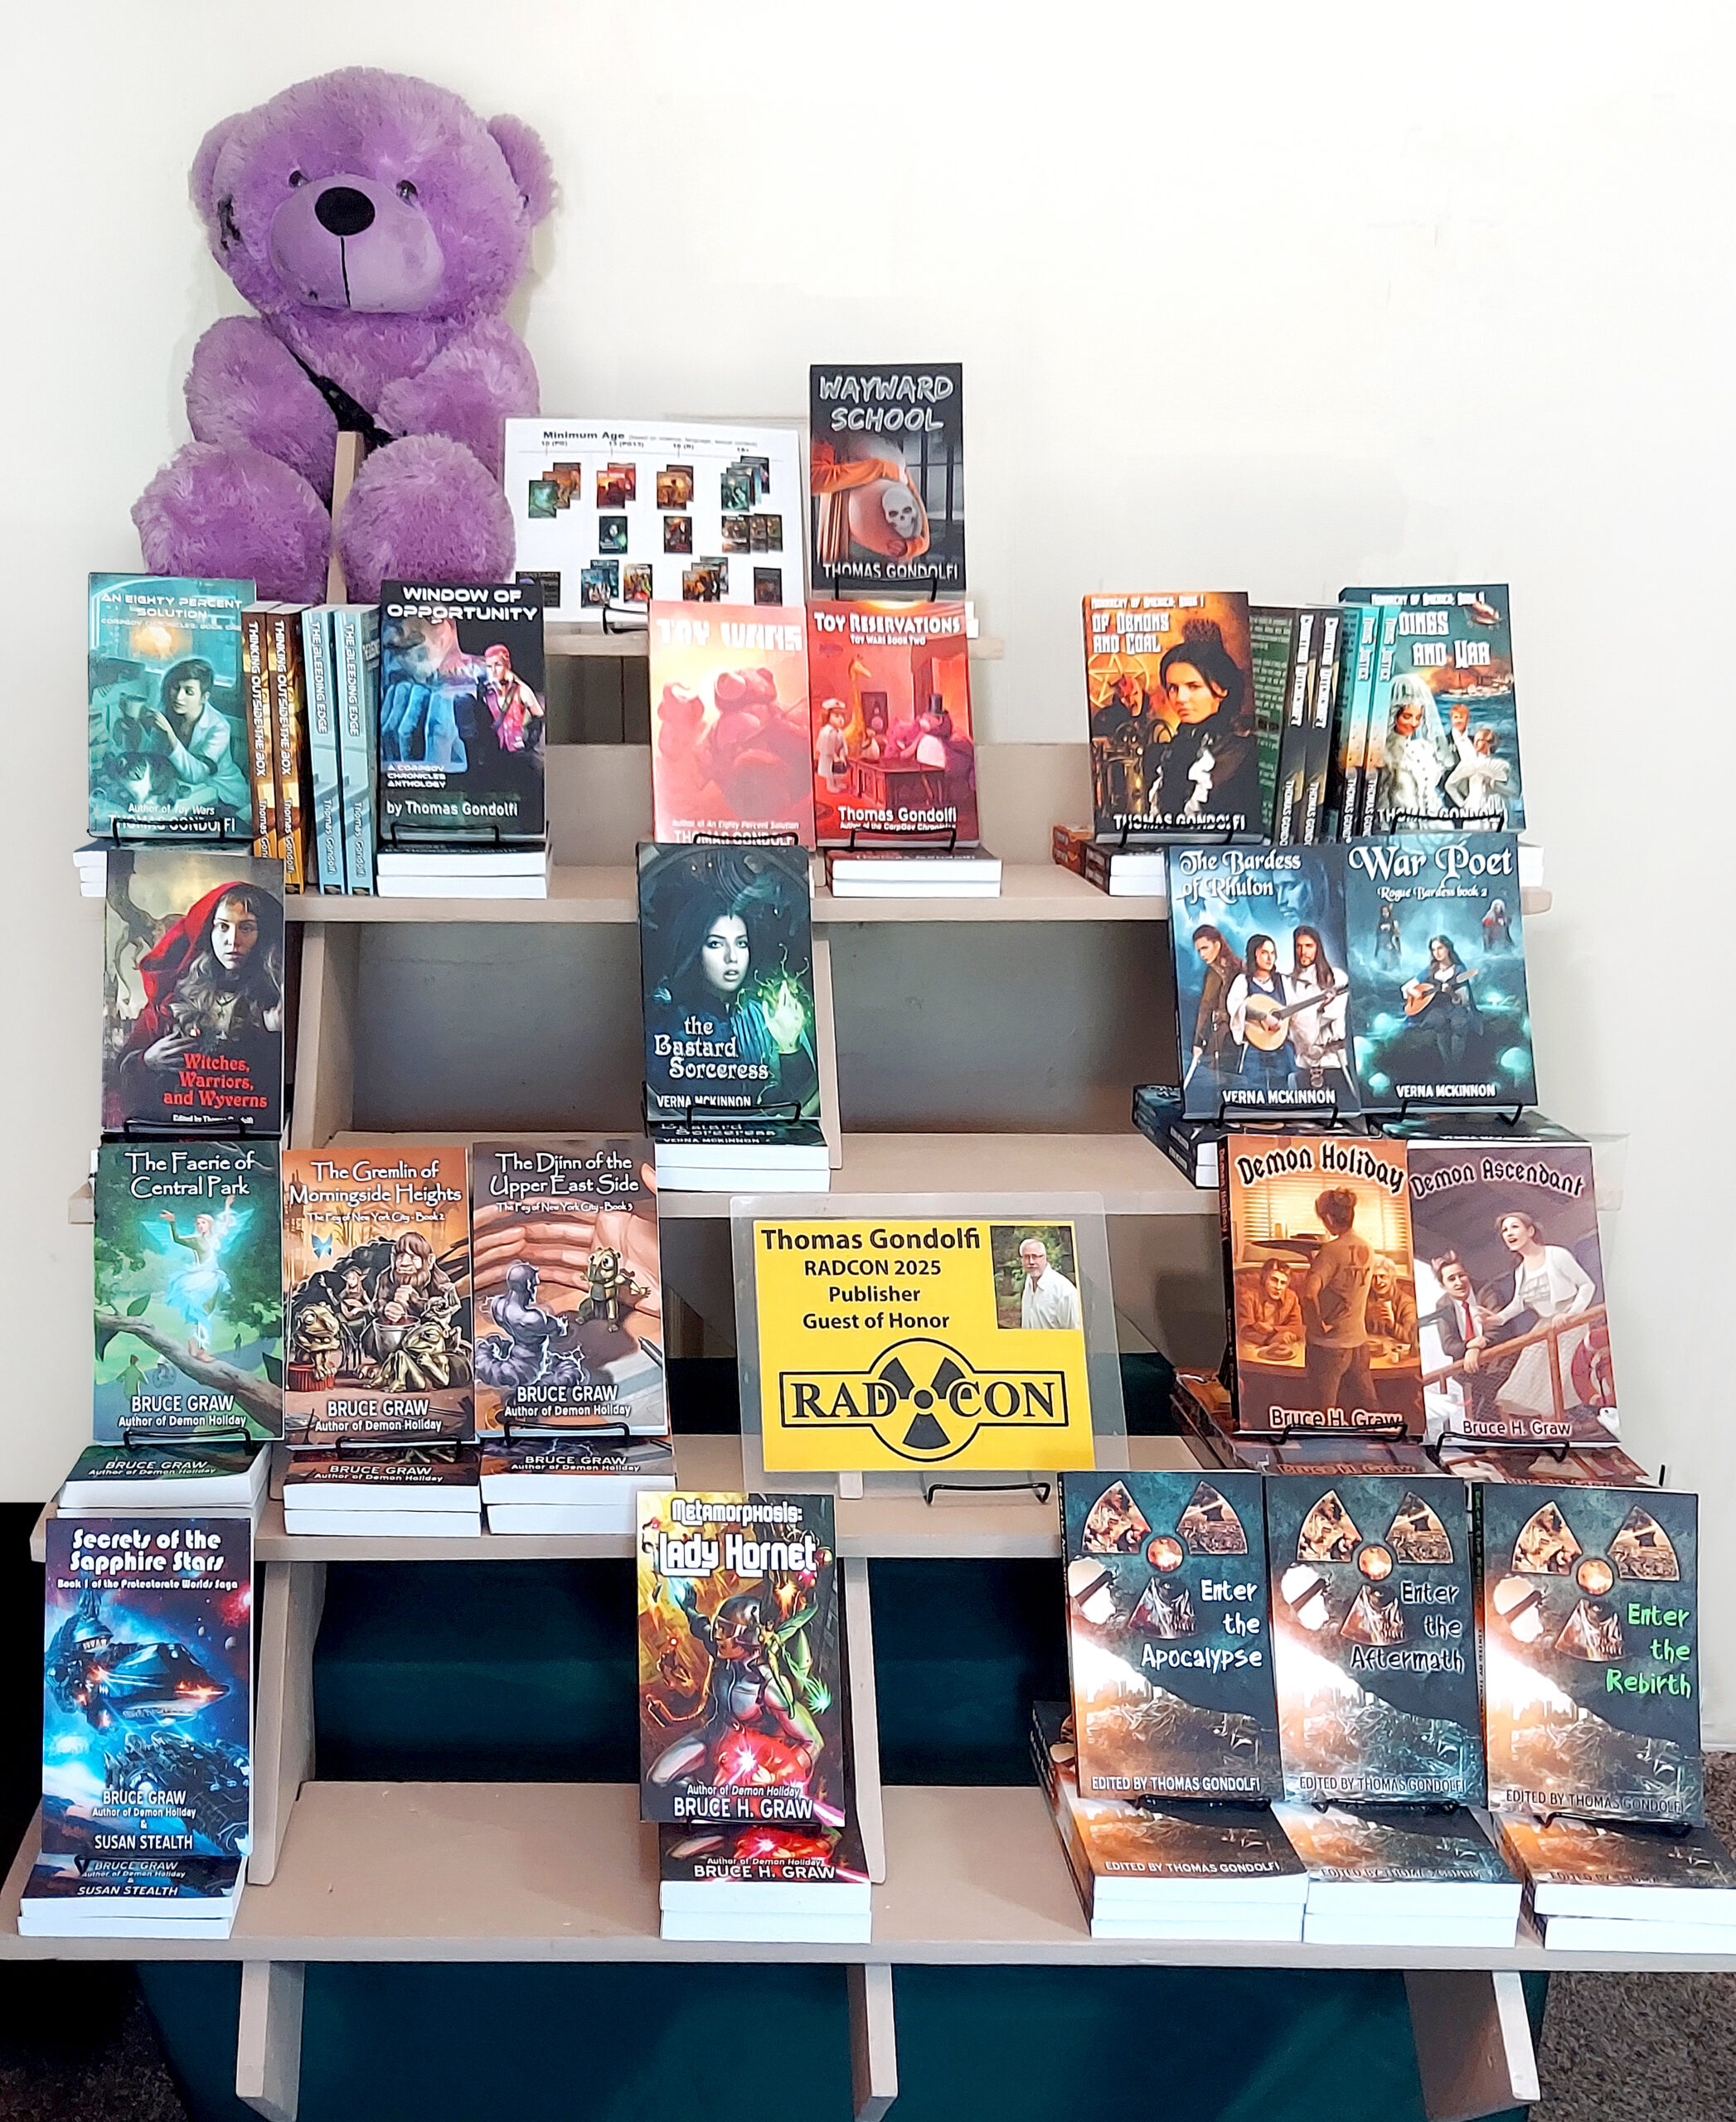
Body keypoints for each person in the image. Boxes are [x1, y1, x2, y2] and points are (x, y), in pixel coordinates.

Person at [644, 859, 819, 1118]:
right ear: (695, 950)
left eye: (741, 944)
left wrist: (789, 1048)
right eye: (716, 944)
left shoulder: (767, 1015)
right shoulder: (666, 1019)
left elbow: (797, 1108)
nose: (732, 957)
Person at [106, 879, 284, 1129]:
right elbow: (119, 1076)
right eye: (222, 927)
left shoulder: (275, 997)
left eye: (246, 928)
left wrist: (271, 1033)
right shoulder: (173, 996)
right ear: (208, 933)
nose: (232, 941)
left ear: (262, 935)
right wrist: (147, 1060)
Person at [1481, 1211, 1599, 1423]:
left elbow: (1586, 1285)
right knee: (1527, 1377)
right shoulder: (1520, 1271)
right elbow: (1519, 1304)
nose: (1509, 1233)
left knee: (1559, 1376)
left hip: (1570, 1323)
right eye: (1505, 1230)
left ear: (1530, 1230)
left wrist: (1571, 1314)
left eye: (1514, 1227)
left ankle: (1569, 1425)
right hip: (1545, 1326)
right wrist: (1495, 1319)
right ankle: (1551, 1432)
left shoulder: (1556, 1255)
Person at [106, 658, 251, 821]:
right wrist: (136, 727)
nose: (179, 697)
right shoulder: (168, 712)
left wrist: (169, 733)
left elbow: (198, 775)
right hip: (186, 788)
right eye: (176, 688)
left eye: (189, 692)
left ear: (204, 697)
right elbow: (154, 757)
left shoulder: (218, 726)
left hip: (222, 794)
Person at [1146, 621, 1260, 826]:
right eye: (1173, 687)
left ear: (1222, 689)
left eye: (1193, 686)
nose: (1180, 698)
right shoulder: (1170, 751)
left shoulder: (1240, 752)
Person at [1301, 1188, 1378, 1422]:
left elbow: (1308, 1295)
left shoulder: (1330, 1251)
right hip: (1359, 1345)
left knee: (1321, 1415)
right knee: (1368, 1411)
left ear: (1329, 1218)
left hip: (1328, 1348)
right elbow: (1346, 1282)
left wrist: (1316, 1327)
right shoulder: (1367, 1248)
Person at [157, 1205, 236, 1354]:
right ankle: (200, 1346)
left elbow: (226, 1224)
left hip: (214, 1277)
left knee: (208, 1311)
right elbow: (177, 1238)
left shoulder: (215, 1238)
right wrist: (172, 1222)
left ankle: (196, 1342)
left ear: (210, 1224)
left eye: (203, 1222)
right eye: (198, 1223)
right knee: (201, 1311)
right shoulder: (195, 1240)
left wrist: (227, 1205)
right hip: (201, 1277)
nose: (200, 1226)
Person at [1286, 925, 1349, 1100]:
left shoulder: (1337, 977)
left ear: (1317, 948)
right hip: (1304, 1064)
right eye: (1299, 946)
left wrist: (1320, 1009)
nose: (1303, 951)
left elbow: (1332, 1014)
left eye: (1308, 946)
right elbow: (1291, 1024)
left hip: (1333, 1061)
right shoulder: (1289, 983)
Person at [1377, 674, 1447, 828]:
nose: (1414, 723)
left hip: (1434, 828)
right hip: (1401, 831)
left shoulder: (1423, 749)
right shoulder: (1383, 755)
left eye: (1418, 717)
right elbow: (1381, 804)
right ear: (1394, 715)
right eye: (1407, 717)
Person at [1404, 935, 1480, 1077]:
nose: (1437, 953)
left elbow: (1463, 1000)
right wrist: (1414, 992)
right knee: (1439, 1022)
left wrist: (1451, 993)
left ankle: (1456, 1067)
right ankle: (1447, 1065)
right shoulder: (1430, 970)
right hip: (1437, 1008)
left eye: (1440, 948)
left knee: (1458, 1024)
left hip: (1456, 1007)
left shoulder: (1459, 971)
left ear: (1448, 948)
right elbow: (1407, 987)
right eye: (1433, 950)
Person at [1226, 933, 1292, 1091]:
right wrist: (1262, 1016)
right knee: (1255, 1092)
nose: (1270, 958)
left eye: (1272, 953)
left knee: (1281, 1093)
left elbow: (1294, 1008)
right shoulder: (1243, 982)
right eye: (1264, 953)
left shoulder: (1283, 982)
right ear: (1254, 954)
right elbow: (1236, 1006)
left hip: (1280, 1051)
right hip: (1254, 1052)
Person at [1188, 925, 1243, 1083]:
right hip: (1241, 1034)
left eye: (1205, 948)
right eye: (1199, 951)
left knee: (1220, 1084)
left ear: (1217, 945)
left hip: (1224, 1036)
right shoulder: (1239, 965)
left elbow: (1205, 1008)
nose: (1202, 954)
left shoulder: (1215, 972)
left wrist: (1197, 1042)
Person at [1235, 1259, 1302, 1358]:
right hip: (1252, 1349)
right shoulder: (1248, 1297)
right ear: (1264, 1279)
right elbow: (1243, 1329)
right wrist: (1270, 1339)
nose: (1278, 1287)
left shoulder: (1291, 1298)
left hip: (1283, 1350)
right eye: (1274, 1280)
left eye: (1283, 1283)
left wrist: (1273, 1329)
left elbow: (1297, 1327)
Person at [1018, 1238, 1081, 1329]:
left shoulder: (1064, 1292)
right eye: (1027, 1257)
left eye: (1035, 1256)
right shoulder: (1029, 1282)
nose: (1031, 1262)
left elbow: (1075, 1331)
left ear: (1045, 1257)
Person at [1364, 1257, 1418, 1356]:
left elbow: (1411, 1338)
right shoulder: (1365, 1300)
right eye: (1373, 1277)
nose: (1378, 1282)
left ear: (1392, 1278)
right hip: (1372, 1354)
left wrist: (1393, 1325)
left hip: (1396, 1357)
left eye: (1382, 1276)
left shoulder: (1406, 1303)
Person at [814, 699, 851, 796]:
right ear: (827, 717)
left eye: (842, 716)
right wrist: (834, 756)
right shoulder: (826, 732)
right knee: (829, 771)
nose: (841, 719)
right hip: (829, 757)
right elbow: (827, 746)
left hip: (838, 756)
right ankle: (830, 785)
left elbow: (843, 744)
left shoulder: (840, 732)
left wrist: (842, 755)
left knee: (839, 771)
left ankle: (838, 782)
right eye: (837, 716)